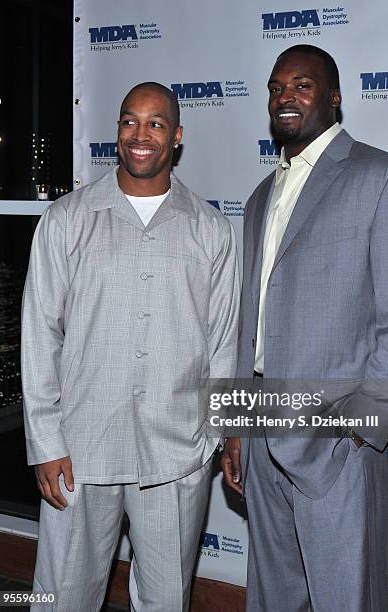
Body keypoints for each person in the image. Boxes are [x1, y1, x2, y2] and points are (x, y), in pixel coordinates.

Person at [221, 45, 388, 611]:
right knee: (274, 600)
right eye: (275, 88)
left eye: (302, 85)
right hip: (262, 436)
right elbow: (252, 324)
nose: (285, 97)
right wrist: (238, 431)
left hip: (336, 446)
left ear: (335, 97)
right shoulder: (258, 199)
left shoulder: (386, 177)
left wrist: (360, 430)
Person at [22, 82, 239, 611]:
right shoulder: (66, 220)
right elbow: (39, 336)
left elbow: (224, 343)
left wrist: (215, 437)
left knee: (166, 600)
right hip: (80, 449)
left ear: (178, 136)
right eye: (129, 121)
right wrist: (46, 443)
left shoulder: (210, 229)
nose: (140, 135)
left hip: (175, 455)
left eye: (156, 123)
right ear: (117, 130)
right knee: (61, 599)